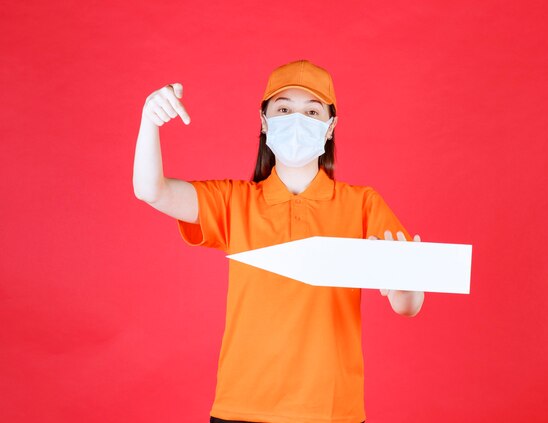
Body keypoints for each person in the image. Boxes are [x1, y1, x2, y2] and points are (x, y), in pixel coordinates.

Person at [133, 59, 425, 423]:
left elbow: (407, 304)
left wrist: (409, 280)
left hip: (331, 410)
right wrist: (149, 121)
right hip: (242, 406)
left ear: (331, 126)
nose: (298, 120)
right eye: (284, 109)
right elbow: (151, 190)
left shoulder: (362, 205)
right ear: (264, 121)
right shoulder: (233, 202)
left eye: (312, 111)